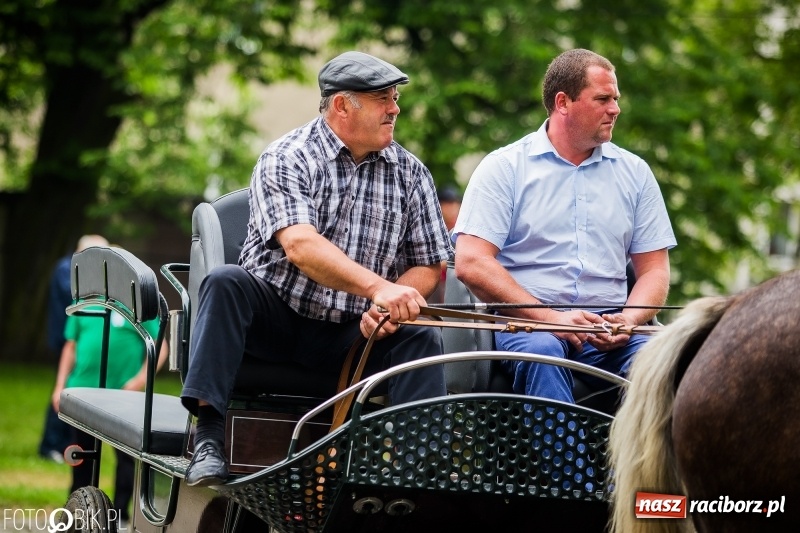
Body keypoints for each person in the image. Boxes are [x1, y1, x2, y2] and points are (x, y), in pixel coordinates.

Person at [180, 51, 454, 487]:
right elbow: (301, 247)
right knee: (225, 281)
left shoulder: (411, 173)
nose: (395, 108)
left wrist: (388, 305)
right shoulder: (286, 156)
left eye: (395, 97)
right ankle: (208, 439)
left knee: (420, 332)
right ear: (343, 106)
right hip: (273, 321)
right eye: (383, 97)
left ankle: (420, 472)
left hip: (350, 331)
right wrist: (380, 288)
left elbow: (428, 262)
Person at [453, 48, 676, 404]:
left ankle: (633, 463)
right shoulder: (504, 168)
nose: (615, 108)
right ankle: (570, 463)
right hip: (530, 324)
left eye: (615, 98)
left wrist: (629, 321)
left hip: (611, 328)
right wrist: (551, 318)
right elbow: (471, 262)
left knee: (666, 361)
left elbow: (654, 271)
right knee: (543, 354)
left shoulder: (636, 173)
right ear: (563, 102)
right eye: (602, 98)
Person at [51, 293, 168, 526]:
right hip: (81, 395)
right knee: (81, 456)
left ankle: (120, 515)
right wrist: (60, 386)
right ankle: (78, 512)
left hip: (122, 398)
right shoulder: (81, 305)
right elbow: (70, 347)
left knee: (125, 458)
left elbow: (160, 347)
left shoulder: (135, 307)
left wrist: (138, 381)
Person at [38, 234, 109, 462]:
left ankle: (62, 444)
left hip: (75, 337)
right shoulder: (65, 269)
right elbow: (77, 294)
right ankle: (51, 445)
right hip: (66, 338)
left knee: (67, 390)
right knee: (62, 392)